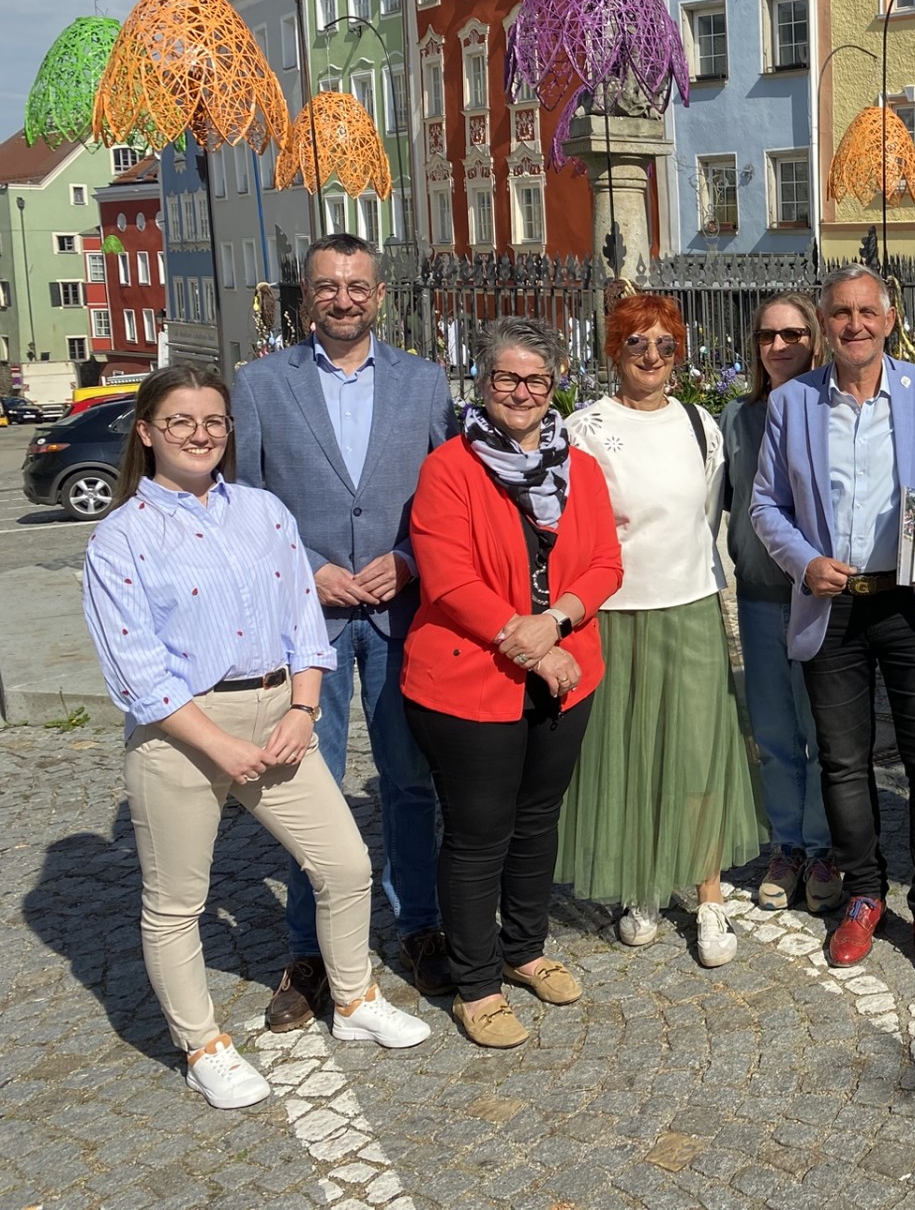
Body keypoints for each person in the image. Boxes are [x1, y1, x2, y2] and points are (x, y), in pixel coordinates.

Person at [83, 367, 430, 1109]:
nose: (200, 434)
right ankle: (203, 1044)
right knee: (177, 901)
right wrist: (219, 745)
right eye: (180, 421)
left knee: (343, 864)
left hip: (277, 713)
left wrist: (303, 711)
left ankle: (354, 999)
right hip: (180, 732)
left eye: (213, 420)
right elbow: (137, 672)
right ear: (146, 433)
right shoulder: (122, 538)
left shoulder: (264, 511)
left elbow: (304, 622)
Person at [233, 232, 461, 1030]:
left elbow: (448, 495)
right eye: (327, 286)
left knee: (407, 781)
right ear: (305, 296)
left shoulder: (425, 382)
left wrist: (409, 558)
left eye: (356, 286)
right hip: (308, 622)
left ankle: (419, 927)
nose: (342, 299)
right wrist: (304, 567)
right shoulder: (261, 385)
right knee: (307, 789)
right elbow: (246, 507)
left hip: (401, 615)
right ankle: (310, 953)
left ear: (380, 294)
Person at [752, 264, 915, 987]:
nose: (854, 324)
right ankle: (861, 894)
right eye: (840, 313)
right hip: (836, 603)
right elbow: (766, 505)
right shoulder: (793, 402)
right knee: (844, 765)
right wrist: (801, 562)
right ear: (825, 324)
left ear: (889, 320)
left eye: (867, 312)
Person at [401, 318, 624, 1049]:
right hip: (472, 679)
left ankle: (524, 948)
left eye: (535, 379)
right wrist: (525, 642)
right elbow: (450, 581)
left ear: (554, 385)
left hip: (562, 671)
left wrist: (555, 624)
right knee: (477, 835)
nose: (521, 392)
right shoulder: (449, 469)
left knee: (538, 820)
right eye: (506, 378)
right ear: (483, 383)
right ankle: (476, 984)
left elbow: (604, 567)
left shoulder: (580, 469)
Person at [560, 294, 766, 967]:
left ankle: (709, 893)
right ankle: (642, 883)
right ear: (613, 351)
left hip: (690, 603)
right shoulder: (584, 429)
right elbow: (563, 523)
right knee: (627, 747)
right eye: (636, 343)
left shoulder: (700, 424)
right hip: (612, 612)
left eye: (664, 345)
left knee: (699, 750)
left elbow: (708, 515)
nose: (651, 357)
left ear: (680, 353)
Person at [722, 293, 844, 915]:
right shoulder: (735, 419)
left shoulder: (832, 410)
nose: (780, 347)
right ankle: (787, 844)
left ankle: (824, 847)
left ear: (815, 340)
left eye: (793, 334)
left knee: (825, 731)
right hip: (762, 595)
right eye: (768, 336)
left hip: (822, 598)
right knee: (773, 733)